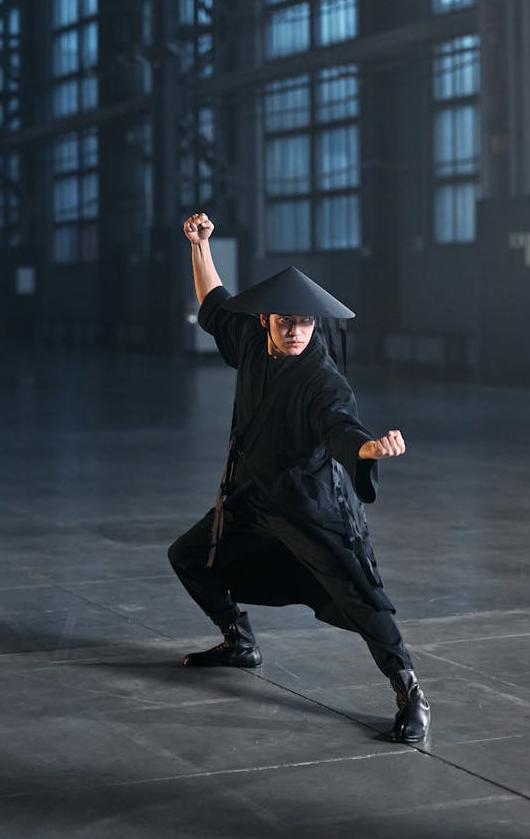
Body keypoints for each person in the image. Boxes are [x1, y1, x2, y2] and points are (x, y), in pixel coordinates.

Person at [168, 212, 430, 745]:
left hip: (311, 507)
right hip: (251, 499)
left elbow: (339, 425)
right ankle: (238, 641)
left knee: (359, 596)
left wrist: (365, 447)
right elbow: (215, 302)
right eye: (286, 321)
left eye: (306, 324)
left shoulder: (320, 377)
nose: (295, 332)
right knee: (189, 557)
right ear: (266, 319)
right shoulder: (248, 338)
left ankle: (411, 691)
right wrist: (200, 245)